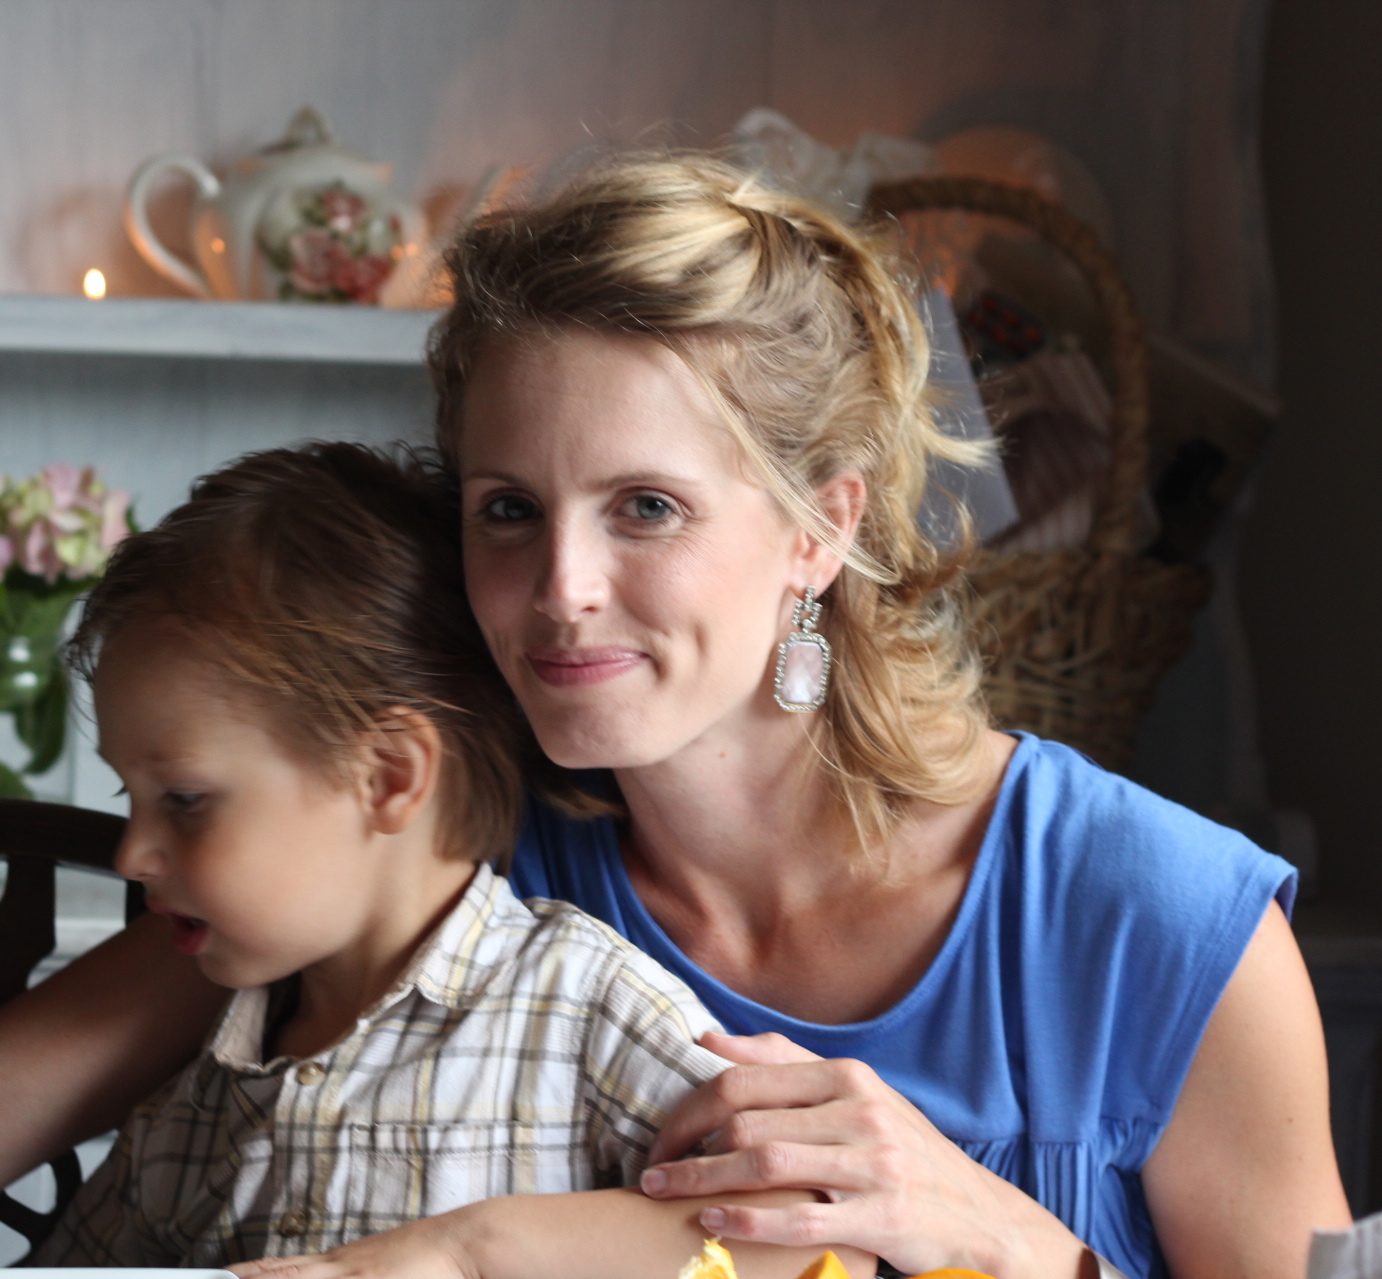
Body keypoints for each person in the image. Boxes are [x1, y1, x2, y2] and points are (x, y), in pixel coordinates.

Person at [0, 156, 1350, 1279]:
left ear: (821, 527)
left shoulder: (1159, 919)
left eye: (646, 506)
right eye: (507, 508)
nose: (560, 589)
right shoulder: (427, 848)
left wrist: (1009, 1241)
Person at [29, 441, 868, 1279]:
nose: (132, 853)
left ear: (390, 776)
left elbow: (811, 1235)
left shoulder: (580, 1007)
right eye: (131, 796)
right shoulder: (201, 1090)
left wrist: (468, 1253)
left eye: (185, 799)